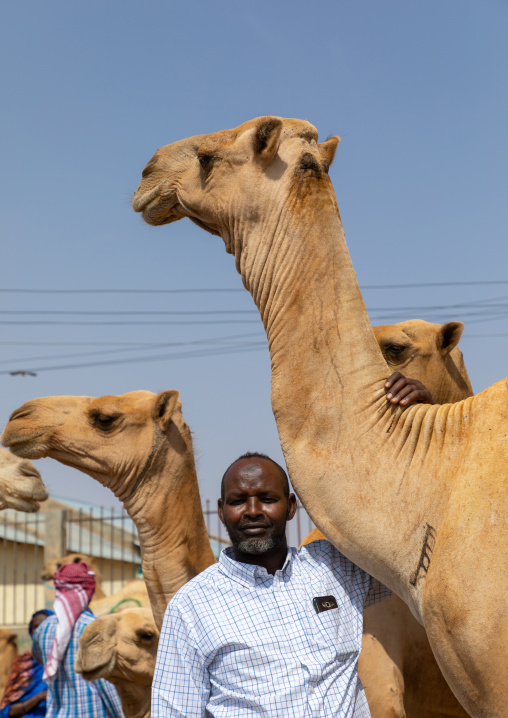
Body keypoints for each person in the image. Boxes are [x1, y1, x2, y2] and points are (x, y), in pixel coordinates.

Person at [152, 374, 434, 717]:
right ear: (222, 511)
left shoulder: (337, 568)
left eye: (267, 499)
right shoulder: (192, 607)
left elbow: (416, 540)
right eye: (239, 500)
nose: (253, 511)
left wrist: (423, 419)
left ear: (290, 507)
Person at [32, 562, 123, 718]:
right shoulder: (96, 628)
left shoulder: (43, 629)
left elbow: (40, 658)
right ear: (89, 591)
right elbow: (107, 686)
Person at [0, 610, 53, 718]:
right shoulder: (23, 664)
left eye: (45, 625)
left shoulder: (66, 664)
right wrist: (39, 698)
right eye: (36, 627)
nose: (39, 630)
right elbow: (6, 711)